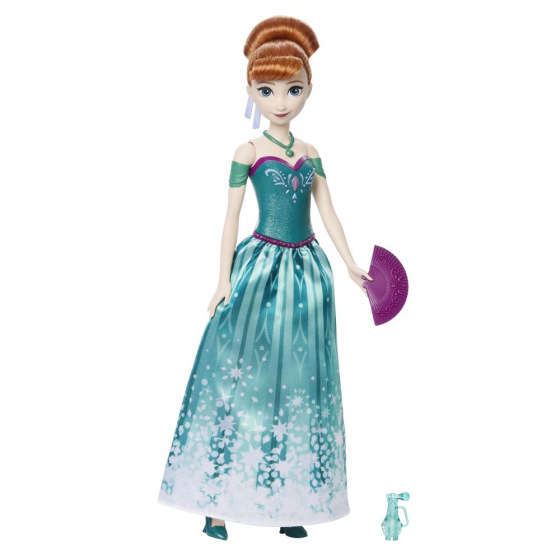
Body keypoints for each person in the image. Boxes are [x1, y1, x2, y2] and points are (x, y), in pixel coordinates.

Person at [158, 15, 372, 541]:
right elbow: (230, 218)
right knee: (238, 379)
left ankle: (289, 500)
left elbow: (328, 212)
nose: (280, 101)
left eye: (293, 89)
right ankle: (214, 504)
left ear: (308, 90)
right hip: (259, 271)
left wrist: (349, 263)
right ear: (251, 90)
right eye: (267, 90)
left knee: (303, 383)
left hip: (309, 275)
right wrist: (222, 279)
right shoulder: (248, 152)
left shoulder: (312, 153)